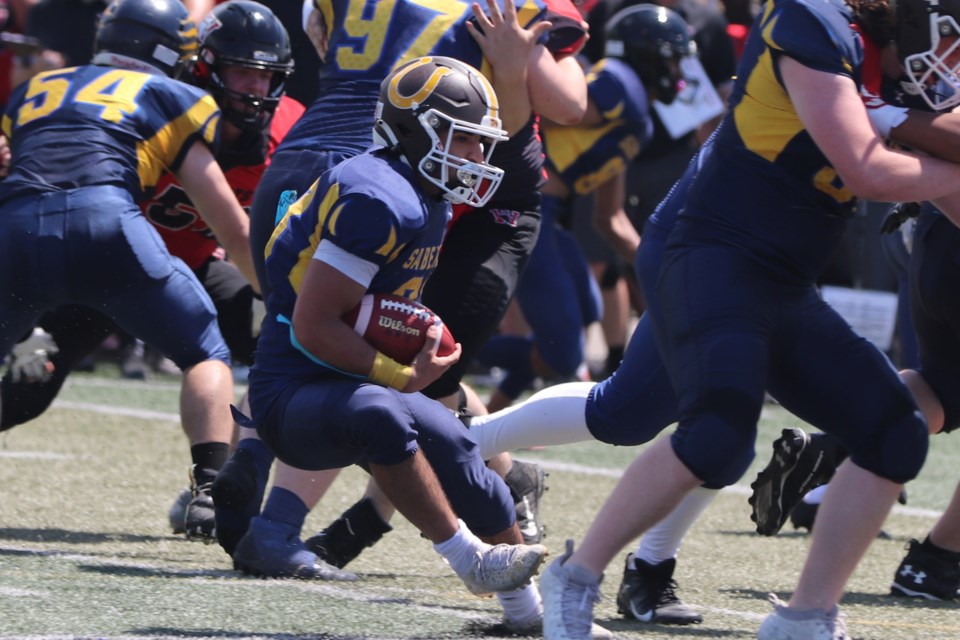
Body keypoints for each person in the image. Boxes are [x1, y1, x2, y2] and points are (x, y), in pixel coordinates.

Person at [531, 0, 960, 636]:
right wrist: (915, 137)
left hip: (784, 281)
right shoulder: (814, 23)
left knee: (895, 431)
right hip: (713, 253)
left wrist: (910, 127)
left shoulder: (901, 79)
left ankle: (805, 616)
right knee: (713, 432)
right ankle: (576, 577)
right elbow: (865, 170)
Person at [213, 0, 587, 571]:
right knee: (379, 358)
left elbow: (318, 31)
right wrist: (513, 70)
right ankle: (285, 520)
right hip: (415, 171)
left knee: (328, 341)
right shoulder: (504, 10)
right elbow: (566, 105)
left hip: (321, 156)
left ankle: (271, 482)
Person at [0, 0, 282, 540]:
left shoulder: (37, 87)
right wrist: (279, 293)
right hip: (107, 227)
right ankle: (208, 492)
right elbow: (230, 226)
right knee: (204, 350)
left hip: (17, 230)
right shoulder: (173, 96)